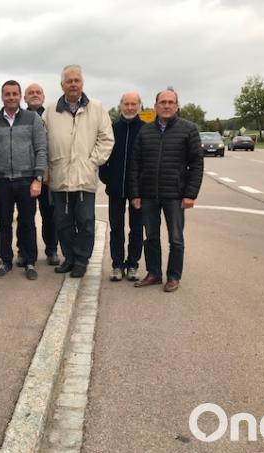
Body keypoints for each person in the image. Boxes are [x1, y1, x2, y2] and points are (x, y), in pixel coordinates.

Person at [128, 88, 203, 292]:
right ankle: (154, 273)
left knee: (176, 239)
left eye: (171, 102)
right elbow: (135, 164)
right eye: (163, 102)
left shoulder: (189, 129)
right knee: (151, 236)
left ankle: (173, 276)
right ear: (155, 106)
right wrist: (135, 194)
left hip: (175, 196)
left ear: (177, 106)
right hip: (148, 195)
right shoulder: (145, 131)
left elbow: (197, 164)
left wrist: (190, 194)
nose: (167, 105)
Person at [42, 64, 114, 278]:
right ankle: (69, 258)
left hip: (84, 177)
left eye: (77, 80)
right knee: (63, 223)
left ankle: (81, 260)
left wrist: (92, 162)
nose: (73, 84)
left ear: (82, 83)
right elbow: (42, 144)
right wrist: (46, 171)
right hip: (59, 177)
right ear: (61, 84)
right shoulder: (50, 111)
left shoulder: (97, 108)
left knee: (85, 222)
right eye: (69, 81)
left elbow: (106, 139)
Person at [0, 80, 48, 281]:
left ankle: (29, 261)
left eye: (14, 94)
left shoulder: (32, 119)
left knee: (27, 222)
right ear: (2, 96)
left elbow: (41, 149)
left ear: (20, 96)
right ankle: (5, 261)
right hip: (2, 181)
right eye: (7, 94)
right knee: (3, 223)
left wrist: (38, 178)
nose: (11, 97)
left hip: (27, 180)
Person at [100, 91, 146, 282]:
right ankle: (117, 265)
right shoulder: (112, 129)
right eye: (126, 104)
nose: (129, 107)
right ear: (120, 106)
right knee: (116, 228)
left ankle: (133, 264)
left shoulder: (145, 129)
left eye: (133, 104)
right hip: (116, 188)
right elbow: (103, 156)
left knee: (136, 228)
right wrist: (107, 179)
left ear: (139, 106)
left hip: (139, 190)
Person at [19, 82, 60, 267]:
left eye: (38, 92)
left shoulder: (52, 115)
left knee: (50, 215)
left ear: (43, 96)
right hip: (25, 175)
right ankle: (23, 251)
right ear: (24, 98)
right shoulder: (19, 117)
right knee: (24, 217)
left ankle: (51, 250)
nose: (35, 95)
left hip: (47, 175)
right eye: (31, 93)